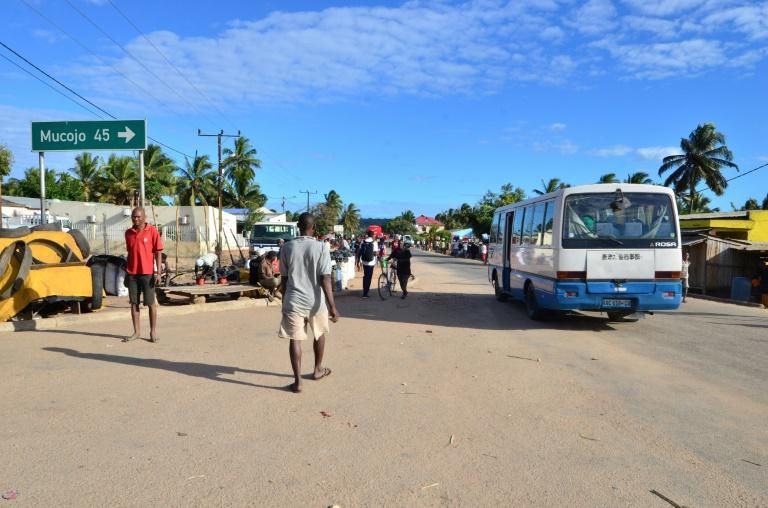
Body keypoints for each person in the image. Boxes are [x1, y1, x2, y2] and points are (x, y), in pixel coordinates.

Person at [278, 213, 339, 393]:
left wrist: (284, 302)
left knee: (295, 339)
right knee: (319, 334)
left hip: (293, 300)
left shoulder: (287, 247)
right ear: (313, 227)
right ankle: (318, 369)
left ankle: (298, 383)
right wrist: (333, 307)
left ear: (298, 226)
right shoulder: (321, 247)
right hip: (316, 301)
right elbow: (325, 278)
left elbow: (284, 279)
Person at [123, 207, 163, 343]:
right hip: (132, 274)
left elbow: (158, 253)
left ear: (144, 217)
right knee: (134, 303)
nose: (136, 219)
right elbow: (130, 253)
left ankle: (153, 332)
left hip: (147, 273)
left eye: (138, 217)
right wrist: (126, 273)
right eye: (134, 217)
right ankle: (136, 332)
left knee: (151, 303)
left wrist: (158, 272)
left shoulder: (152, 231)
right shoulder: (128, 233)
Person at [360, 231, 378, 298]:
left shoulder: (363, 242)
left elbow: (361, 251)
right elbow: (375, 253)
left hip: (364, 262)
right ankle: (366, 293)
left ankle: (364, 292)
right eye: (374, 235)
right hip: (371, 262)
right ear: (372, 235)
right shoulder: (374, 242)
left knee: (365, 276)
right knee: (369, 277)